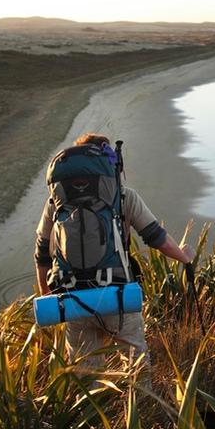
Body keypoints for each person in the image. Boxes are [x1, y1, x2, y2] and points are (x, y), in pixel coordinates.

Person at [34, 132, 194, 371]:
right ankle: (141, 405)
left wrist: (47, 293)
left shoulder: (56, 203)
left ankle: (95, 405)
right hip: (117, 296)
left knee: (85, 373)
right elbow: (157, 238)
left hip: (74, 298)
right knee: (135, 367)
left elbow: (41, 253)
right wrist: (185, 256)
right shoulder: (124, 196)